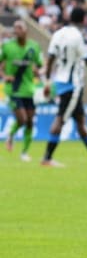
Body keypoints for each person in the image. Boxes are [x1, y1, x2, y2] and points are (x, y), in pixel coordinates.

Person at [40, 7, 87, 167]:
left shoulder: (58, 34)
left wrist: (48, 82)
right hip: (72, 85)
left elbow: (50, 60)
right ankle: (47, 158)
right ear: (84, 20)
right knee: (60, 120)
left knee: (81, 121)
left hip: (60, 82)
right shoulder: (77, 37)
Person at [0, 20, 43, 161]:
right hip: (13, 89)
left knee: (30, 121)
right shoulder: (7, 46)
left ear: (26, 31)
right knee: (22, 119)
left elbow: (40, 66)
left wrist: (38, 71)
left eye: (19, 27)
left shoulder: (34, 47)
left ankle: (24, 152)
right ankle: (10, 136)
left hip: (29, 89)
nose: (16, 30)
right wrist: (5, 76)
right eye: (15, 27)